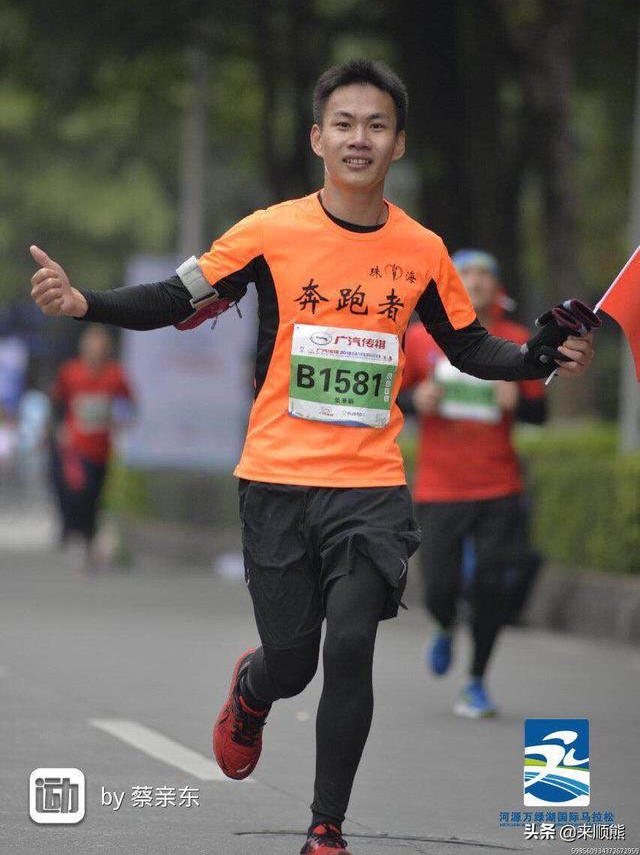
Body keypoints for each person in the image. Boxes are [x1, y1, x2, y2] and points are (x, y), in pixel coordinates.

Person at [29, 60, 595, 855]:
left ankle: (326, 829)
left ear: (398, 143)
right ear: (318, 138)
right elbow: (177, 297)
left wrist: (538, 357)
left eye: (376, 125)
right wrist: (83, 301)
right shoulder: (268, 233)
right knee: (293, 662)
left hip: (369, 485)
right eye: (345, 124)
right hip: (276, 479)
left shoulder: (422, 249)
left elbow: (468, 345)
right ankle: (253, 689)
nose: (360, 138)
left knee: (352, 646)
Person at [401, 249, 547, 719]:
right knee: (440, 588)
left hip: (498, 485)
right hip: (439, 487)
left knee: (491, 588)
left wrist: (517, 402)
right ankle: (444, 625)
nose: (476, 280)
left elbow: (540, 412)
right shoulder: (420, 338)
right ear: (451, 284)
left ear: (497, 287)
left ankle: (476, 681)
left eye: (485, 273)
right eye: (465, 272)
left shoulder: (518, 341)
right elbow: (390, 396)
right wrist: (416, 399)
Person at [49, 325, 133, 569]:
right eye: (91, 347)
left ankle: (88, 539)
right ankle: (73, 533)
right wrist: (59, 428)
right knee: (76, 491)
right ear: (83, 348)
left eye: (100, 348)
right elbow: (57, 402)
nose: (95, 352)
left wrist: (121, 420)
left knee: (95, 496)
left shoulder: (115, 375)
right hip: (75, 447)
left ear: (107, 350)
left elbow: (128, 403)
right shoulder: (70, 372)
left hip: (101, 448)